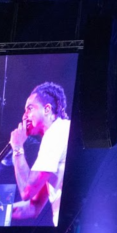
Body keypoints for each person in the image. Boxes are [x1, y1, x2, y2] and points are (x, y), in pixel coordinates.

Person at [9, 81, 71, 225]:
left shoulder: (55, 135)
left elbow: (26, 192)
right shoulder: (59, 132)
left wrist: (17, 147)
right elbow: (34, 207)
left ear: (47, 109)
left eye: (29, 109)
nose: (24, 116)